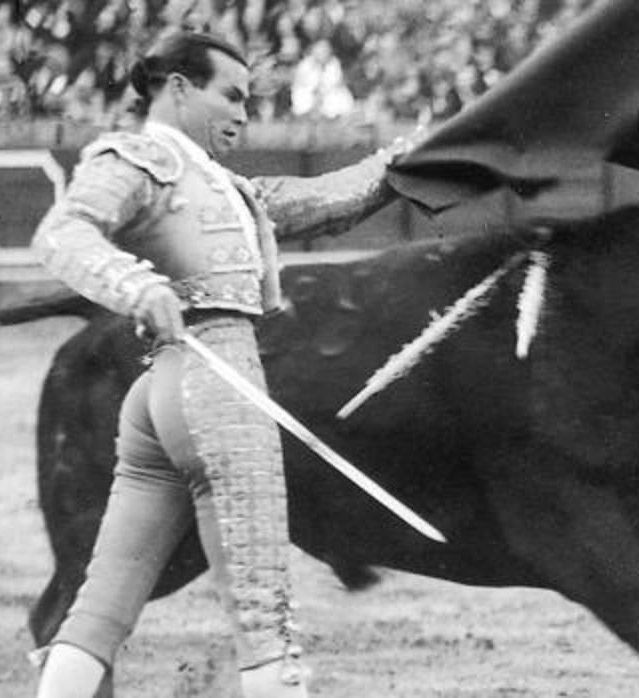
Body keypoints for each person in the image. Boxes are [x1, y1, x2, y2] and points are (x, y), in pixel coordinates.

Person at [29, 30, 412, 698]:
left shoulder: (226, 186)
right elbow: (62, 232)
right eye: (230, 96)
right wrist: (134, 286)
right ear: (178, 89)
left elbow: (328, 199)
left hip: (164, 395)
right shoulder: (142, 159)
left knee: (99, 609)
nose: (243, 114)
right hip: (217, 389)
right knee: (263, 615)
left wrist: (400, 161)